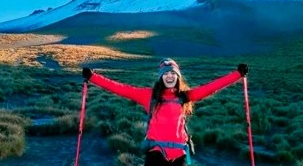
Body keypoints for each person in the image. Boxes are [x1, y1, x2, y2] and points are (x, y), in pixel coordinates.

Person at [82, 58, 249, 166]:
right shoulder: (149, 96)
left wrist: (237, 75)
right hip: (156, 154)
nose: (170, 76)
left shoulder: (185, 96)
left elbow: (211, 88)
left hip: (179, 155)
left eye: (173, 73)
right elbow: (120, 88)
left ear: (178, 77)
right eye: (166, 74)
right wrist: (93, 77)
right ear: (160, 77)